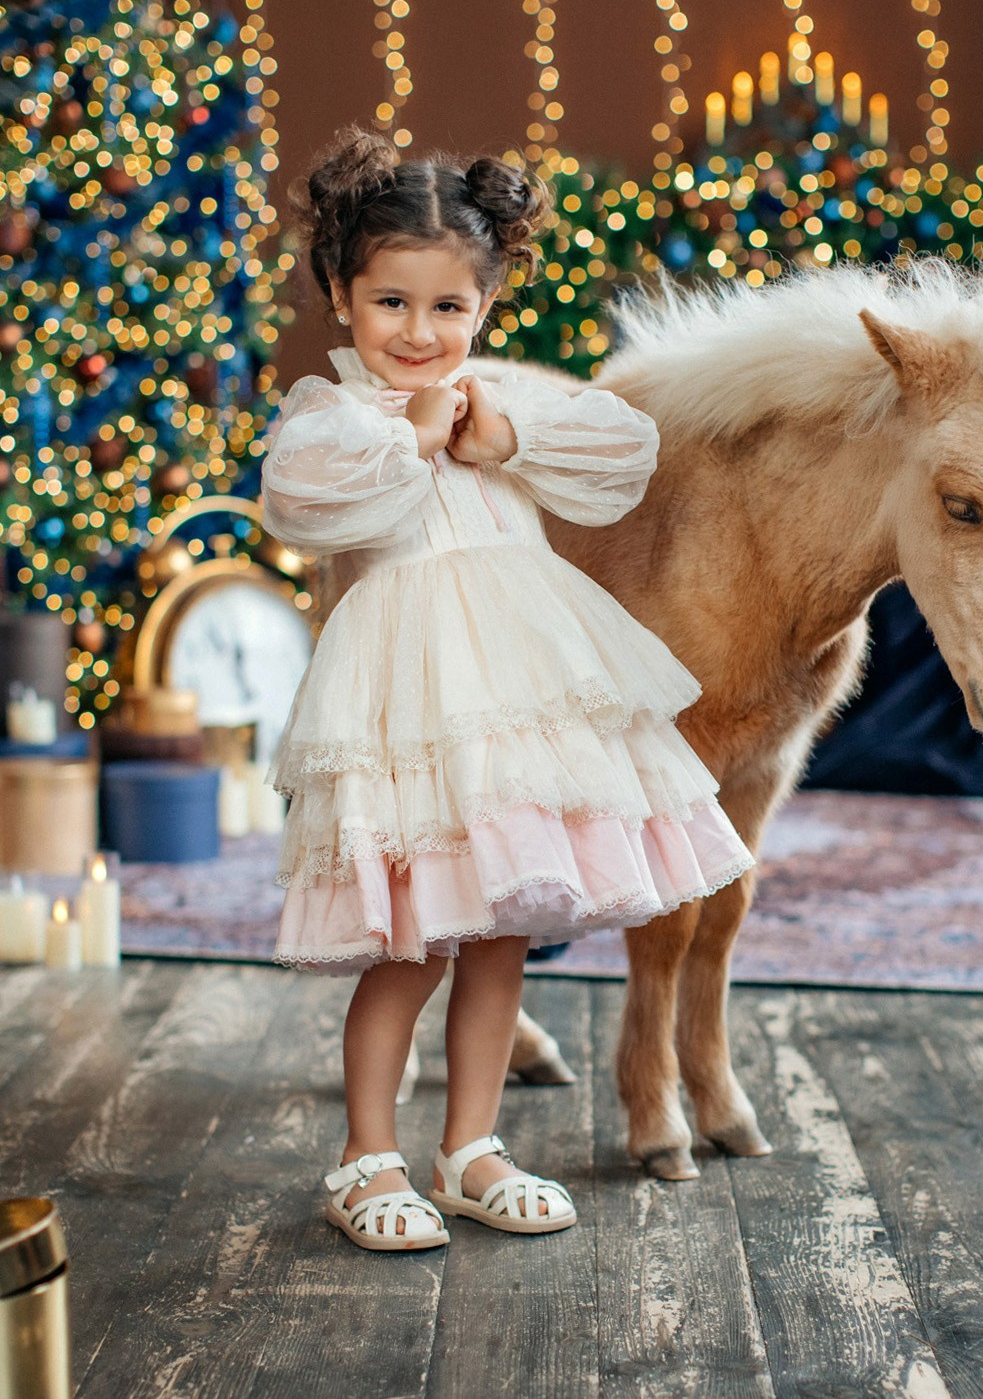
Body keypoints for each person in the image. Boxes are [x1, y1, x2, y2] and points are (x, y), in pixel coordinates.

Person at [261, 126, 753, 1252]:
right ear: (341, 294)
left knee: (496, 942)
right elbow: (308, 505)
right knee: (410, 945)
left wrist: (502, 433)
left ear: (485, 304)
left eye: (448, 308)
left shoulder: (493, 412)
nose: (419, 334)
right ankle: (365, 1157)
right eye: (391, 303)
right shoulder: (336, 420)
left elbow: (622, 455)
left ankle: (471, 1146)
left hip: (520, 704)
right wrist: (413, 439)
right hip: (411, 713)